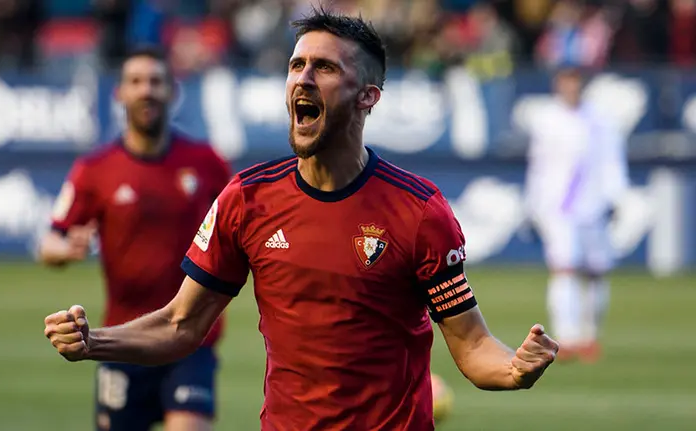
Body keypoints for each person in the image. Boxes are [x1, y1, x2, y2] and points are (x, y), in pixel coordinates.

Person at [44, 9, 559, 430]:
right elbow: (182, 325)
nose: (303, 78)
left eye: (325, 68)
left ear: (368, 97)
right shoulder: (247, 199)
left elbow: (471, 347)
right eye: (296, 65)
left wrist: (513, 370)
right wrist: (95, 342)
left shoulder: (420, 212)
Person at [38, 47, 231, 431]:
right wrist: (66, 249)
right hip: (122, 339)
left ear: (172, 92)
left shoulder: (206, 162)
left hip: (191, 336)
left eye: (156, 82)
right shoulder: (94, 170)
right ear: (120, 93)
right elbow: (48, 242)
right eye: (137, 82)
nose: (147, 90)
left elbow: (241, 225)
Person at [522, 66, 629, 363]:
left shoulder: (601, 120)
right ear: (558, 85)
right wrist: (533, 203)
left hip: (593, 205)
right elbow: (538, 165)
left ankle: (589, 335)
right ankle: (566, 337)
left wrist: (616, 196)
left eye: (576, 83)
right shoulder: (547, 120)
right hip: (558, 207)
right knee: (565, 267)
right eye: (566, 83)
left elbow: (612, 161)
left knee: (595, 271)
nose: (571, 89)